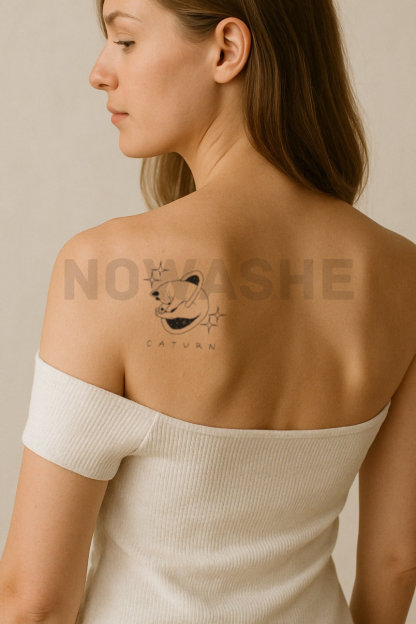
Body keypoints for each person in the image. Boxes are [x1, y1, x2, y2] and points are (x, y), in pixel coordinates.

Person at [0, 0, 415, 622]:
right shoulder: (403, 275)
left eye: (125, 40)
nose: (100, 72)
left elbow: (32, 603)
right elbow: (397, 560)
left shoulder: (106, 268)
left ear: (227, 50)